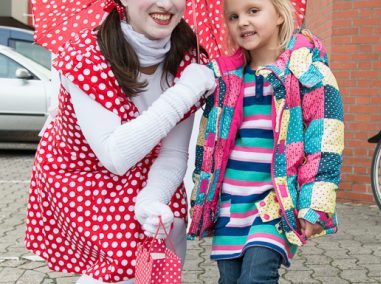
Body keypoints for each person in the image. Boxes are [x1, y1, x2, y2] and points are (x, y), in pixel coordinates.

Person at [25, 0, 215, 283]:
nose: (165, 4)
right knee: (123, 265)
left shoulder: (189, 58)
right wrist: (186, 91)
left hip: (149, 170)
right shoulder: (85, 56)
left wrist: (153, 199)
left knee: (167, 235)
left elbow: (174, 152)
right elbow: (116, 156)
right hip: (84, 175)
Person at [188, 0, 344, 283]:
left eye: (253, 11)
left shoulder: (306, 73)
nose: (242, 22)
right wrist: (202, 192)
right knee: (230, 279)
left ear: (280, 15)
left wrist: (315, 203)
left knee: (256, 276)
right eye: (233, 16)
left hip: (275, 203)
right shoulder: (225, 81)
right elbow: (207, 144)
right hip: (232, 203)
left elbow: (325, 139)